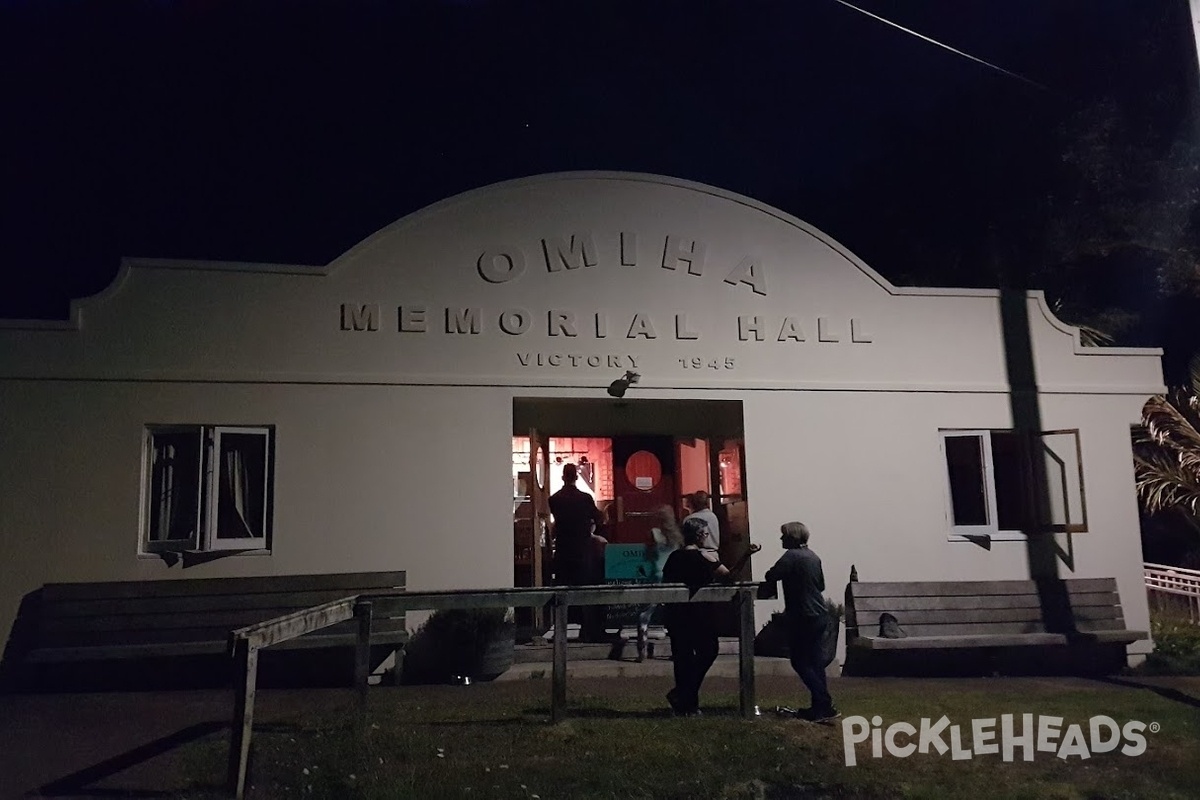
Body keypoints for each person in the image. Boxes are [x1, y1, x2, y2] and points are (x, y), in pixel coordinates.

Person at [661, 517, 760, 716]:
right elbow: (729, 577)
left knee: (683, 658)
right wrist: (746, 555)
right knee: (709, 650)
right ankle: (684, 696)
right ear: (699, 536)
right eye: (706, 533)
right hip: (700, 614)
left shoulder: (674, 557)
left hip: (677, 614)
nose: (708, 537)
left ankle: (686, 702)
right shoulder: (705, 558)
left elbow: (666, 581)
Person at [762, 521, 838, 723]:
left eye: (783, 535)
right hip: (819, 613)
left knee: (799, 661)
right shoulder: (813, 556)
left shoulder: (791, 557)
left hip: (802, 615)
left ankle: (823, 701)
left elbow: (772, 575)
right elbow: (820, 586)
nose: (781, 539)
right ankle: (819, 707)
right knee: (815, 661)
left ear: (792, 538)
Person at [548, 463, 607, 639]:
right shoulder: (585, 498)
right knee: (587, 590)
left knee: (563, 593)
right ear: (576, 477)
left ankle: (560, 630)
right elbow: (599, 518)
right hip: (582, 550)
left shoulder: (554, 499)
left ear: (563, 477)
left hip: (563, 551)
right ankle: (588, 629)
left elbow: (558, 524)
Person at [635, 505, 683, 662]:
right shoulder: (677, 536)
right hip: (673, 574)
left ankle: (642, 646)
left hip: (656, 573)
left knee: (646, 611)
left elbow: (647, 555)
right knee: (675, 612)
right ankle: (678, 650)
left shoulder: (654, 533)